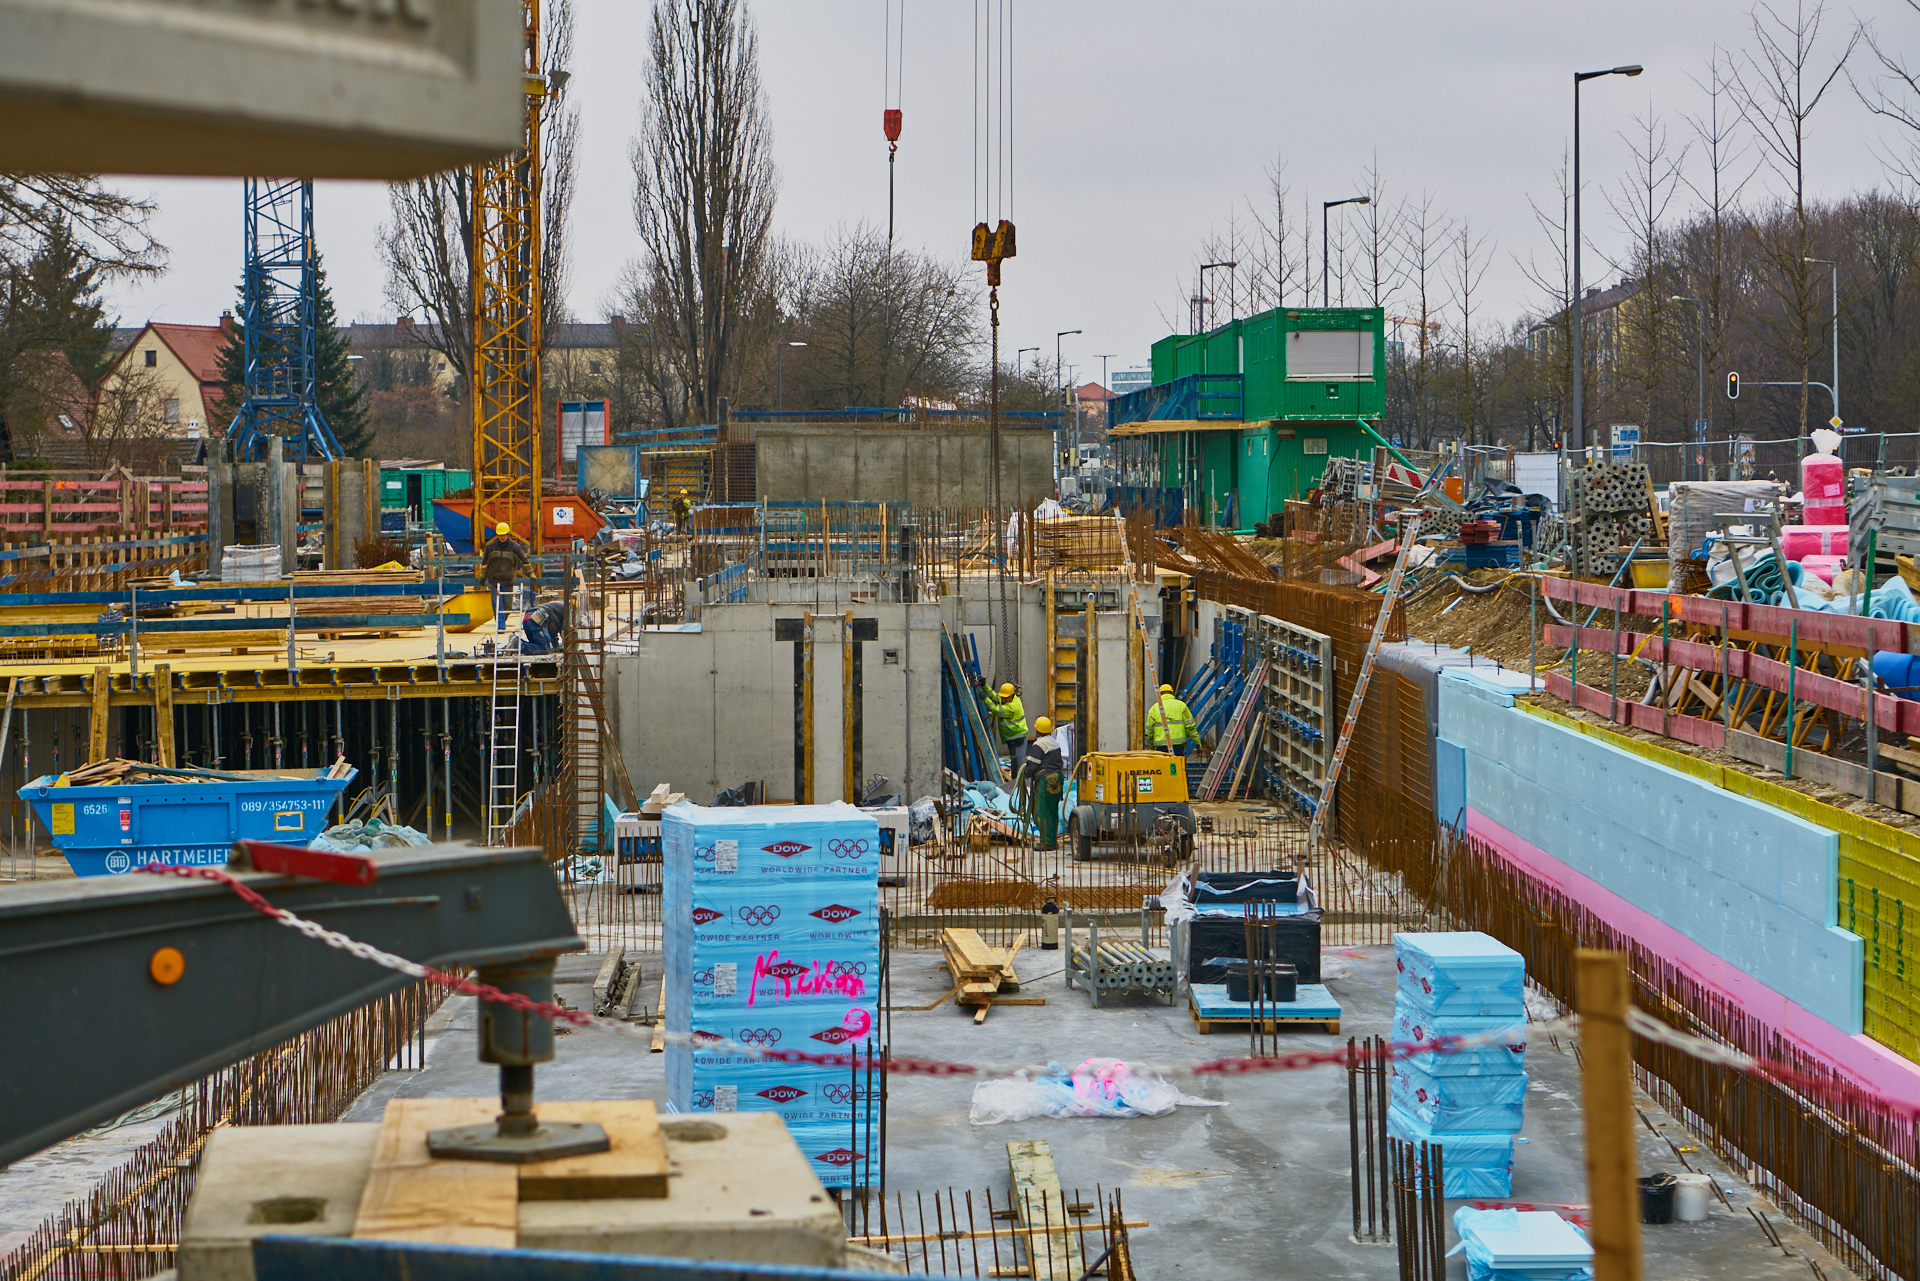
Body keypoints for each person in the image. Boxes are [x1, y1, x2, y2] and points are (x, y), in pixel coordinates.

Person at [1019, 716, 1066, 850]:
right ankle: (1052, 840)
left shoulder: (1038, 744)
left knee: (1043, 811)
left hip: (1046, 780)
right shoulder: (1054, 742)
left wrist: (1026, 773)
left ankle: (1047, 843)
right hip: (1057, 778)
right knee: (1052, 810)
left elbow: (1033, 766)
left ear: (1038, 730)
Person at [481, 521, 529, 631]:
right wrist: (482, 578)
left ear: (508, 534)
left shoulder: (515, 548)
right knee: (497, 604)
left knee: (507, 605)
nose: (502, 537)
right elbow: (485, 564)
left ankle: (502, 620)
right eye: (500, 535)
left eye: (504, 535)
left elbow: (524, 561)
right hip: (493, 580)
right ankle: (501, 625)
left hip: (508, 581)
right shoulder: (491, 548)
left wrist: (531, 574)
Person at [980, 680, 1029, 775]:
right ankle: (1016, 780)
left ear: (1011, 696)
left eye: (1005, 698)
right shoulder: (1007, 699)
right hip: (1012, 737)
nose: (1003, 700)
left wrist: (985, 699)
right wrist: (984, 686)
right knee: (1014, 760)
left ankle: (1021, 781)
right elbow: (994, 696)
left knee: (1019, 762)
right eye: (1002, 697)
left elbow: (995, 709)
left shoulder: (1012, 707)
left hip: (1018, 737)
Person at [1146, 683, 1196, 757]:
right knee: (1177, 766)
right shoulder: (1181, 705)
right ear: (1172, 693)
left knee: (1163, 767)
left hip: (1161, 746)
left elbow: (1150, 731)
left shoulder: (1154, 708)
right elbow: (1190, 726)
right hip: (1178, 746)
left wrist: (1151, 747)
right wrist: (1197, 741)